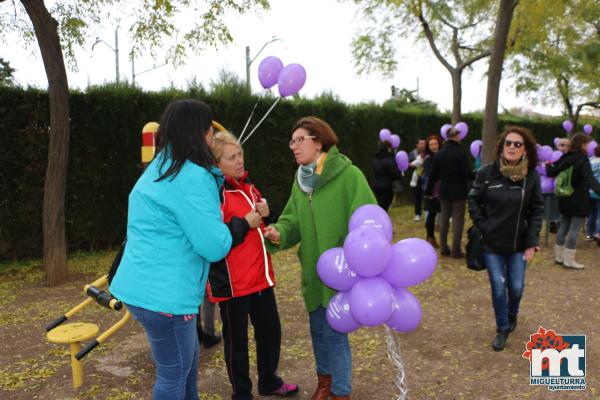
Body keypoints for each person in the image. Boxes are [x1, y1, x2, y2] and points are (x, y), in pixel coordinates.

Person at [109, 99, 232, 399]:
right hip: (167, 297)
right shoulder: (191, 177)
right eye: (209, 131)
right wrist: (227, 226)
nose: (212, 138)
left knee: (185, 363)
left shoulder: (159, 167)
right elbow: (214, 246)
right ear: (199, 134)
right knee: (174, 372)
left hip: (145, 290)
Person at [263, 117, 376, 400]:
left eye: (300, 139)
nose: (294, 146)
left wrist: (355, 258)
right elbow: (292, 220)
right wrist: (280, 231)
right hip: (314, 274)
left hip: (344, 273)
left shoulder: (350, 176)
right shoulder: (301, 181)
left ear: (319, 141)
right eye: (292, 141)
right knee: (317, 330)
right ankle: (324, 383)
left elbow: (369, 222)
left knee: (336, 334)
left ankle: (341, 392)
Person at [206, 131, 298, 399]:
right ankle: (242, 393)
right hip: (233, 284)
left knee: (271, 332)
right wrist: (246, 222)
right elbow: (215, 237)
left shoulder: (249, 186)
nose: (239, 161)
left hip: (260, 278)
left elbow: (258, 225)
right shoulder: (214, 193)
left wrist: (267, 220)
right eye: (231, 157)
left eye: (240, 154)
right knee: (237, 345)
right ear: (217, 164)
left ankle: (269, 381)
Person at [468, 126, 543, 352]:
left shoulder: (531, 177)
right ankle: (502, 328)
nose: (512, 147)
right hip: (492, 244)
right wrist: (484, 225)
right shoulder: (487, 173)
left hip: (519, 244)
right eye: (508, 143)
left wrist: (531, 243)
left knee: (517, 287)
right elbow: (473, 200)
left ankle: (512, 315)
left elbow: (537, 210)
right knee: (499, 286)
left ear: (525, 151)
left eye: (517, 144)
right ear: (502, 147)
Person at [546, 133, 600, 268]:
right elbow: (590, 179)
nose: (589, 147)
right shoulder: (583, 160)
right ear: (582, 144)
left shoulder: (566, 157)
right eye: (587, 144)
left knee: (563, 225)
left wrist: (547, 165)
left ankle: (559, 257)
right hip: (579, 199)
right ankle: (569, 260)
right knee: (575, 229)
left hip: (565, 197)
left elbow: (551, 171)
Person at [425, 128, 475, 257]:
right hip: (458, 191)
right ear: (457, 136)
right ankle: (456, 250)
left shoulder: (440, 154)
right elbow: (467, 174)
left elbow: (433, 176)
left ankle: (443, 248)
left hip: (444, 191)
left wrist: (428, 191)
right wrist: (476, 174)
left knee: (444, 220)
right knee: (458, 220)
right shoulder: (460, 153)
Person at [422, 135, 442, 247]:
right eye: (431, 145)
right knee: (431, 213)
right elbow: (430, 175)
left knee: (435, 213)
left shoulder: (441, 156)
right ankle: (430, 237)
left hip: (440, 189)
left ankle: (432, 236)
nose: (434, 146)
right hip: (431, 191)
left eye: (435, 144)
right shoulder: (428, 159)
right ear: (428, 147)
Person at [372, 140, 402, 211]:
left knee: (379, 204)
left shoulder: (375, 158)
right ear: (388, 148)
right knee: (384, 206)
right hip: (387, 186)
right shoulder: (389, 159)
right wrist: (400, 175)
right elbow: (394, 173)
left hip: (376, 185)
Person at [409, 139, 427, 220]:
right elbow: (408, 165)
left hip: (426, 177)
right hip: (417, 178)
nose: (423, 145)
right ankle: (418, 214)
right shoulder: (412, 154)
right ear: (417, 145)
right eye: (421, 144)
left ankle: (427, 211)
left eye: (424, 143)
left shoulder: (428, 152)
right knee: (417, 197)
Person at [589, 146, 600, 246]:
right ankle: (598, 233)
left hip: (590, 191)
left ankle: (590, 233)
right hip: (599, 190)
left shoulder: (590, 161)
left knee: (592, 213)